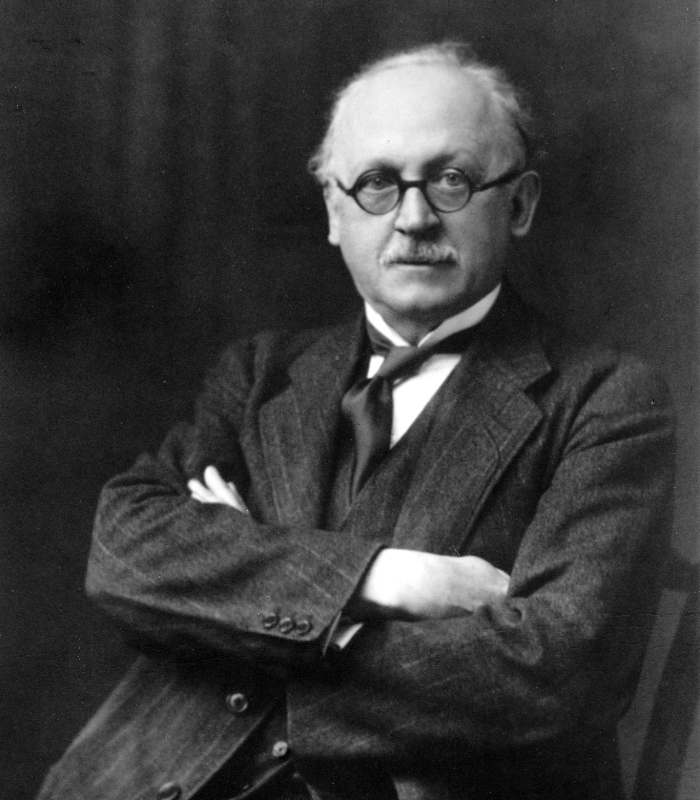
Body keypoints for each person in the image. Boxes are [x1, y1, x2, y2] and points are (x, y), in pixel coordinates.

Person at [37, 42, 675, 800]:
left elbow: (559, 670)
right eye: (376, 183)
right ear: (335, 214)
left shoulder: (607, 399)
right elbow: (125, 550)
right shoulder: (258, 375)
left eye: (451, 179)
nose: (412, 219)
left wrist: (258, 610)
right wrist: (395, 580)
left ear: (520, 203)